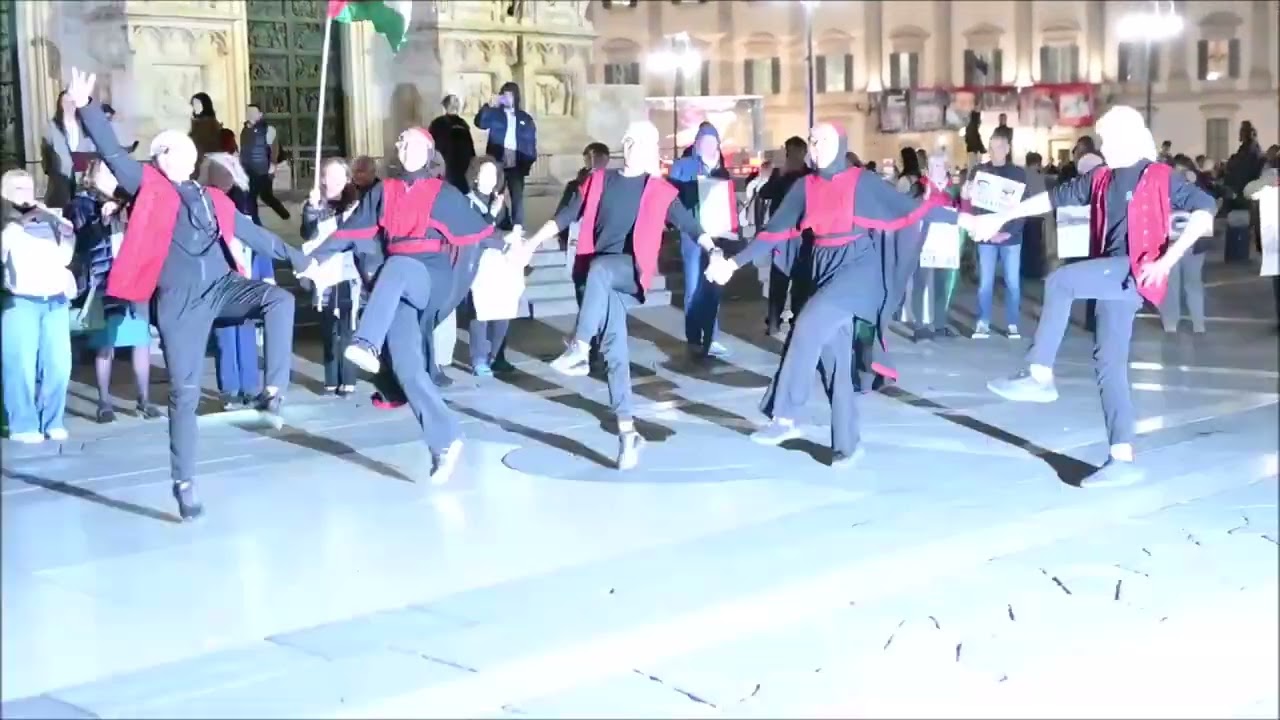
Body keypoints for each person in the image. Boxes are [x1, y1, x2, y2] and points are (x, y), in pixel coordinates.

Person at [68, 67, 310, 520]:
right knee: (184, 393)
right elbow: (114, 155)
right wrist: (85, 107)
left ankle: (274, 389)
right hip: (180, 302)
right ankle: (184, 482)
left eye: (183, 149)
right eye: (168, 150)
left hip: (222, 286)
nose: (177, 155)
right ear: (158, 159)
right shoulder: (150, 189)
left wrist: (297, 257)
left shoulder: (212, 198)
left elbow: (252, 233)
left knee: (279, 299)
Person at [965, 105, 1216, 487]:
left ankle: (1039, 373)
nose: (1103, 146)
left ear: (1129, 137)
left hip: (1133, 269)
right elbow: (1052, 199)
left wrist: (1167, 260)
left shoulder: (1158, 175)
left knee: (1061, 282)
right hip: (1112, 275)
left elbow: (1205, 210)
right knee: (1108, 364)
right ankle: (1122, 457)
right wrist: (1001, 217)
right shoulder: (1100, 178)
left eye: (1108, 138)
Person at [704, 123, 951, 467]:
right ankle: (847, 444)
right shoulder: (804, 187)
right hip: (822, 268)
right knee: (834, 359)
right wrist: (732, 264)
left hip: (858, 268)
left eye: (822, 141)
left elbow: (909, 209)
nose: (815, 147)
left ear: (839, 144)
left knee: (807, 325)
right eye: (812, 141)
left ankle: (785, 415)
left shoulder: (860, 181)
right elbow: (773, 232)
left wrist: (966, 218)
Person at [302, 127, 512, 484]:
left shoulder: (443, 192)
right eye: (400, 143)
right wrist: (315, 258)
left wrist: (512, 245)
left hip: (431, 275)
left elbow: (480, 232)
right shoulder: (383, 191)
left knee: (398, 266)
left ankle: (366, 341)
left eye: (412, 143)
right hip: (396, 283)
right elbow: (351, 231)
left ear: (428, 151)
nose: (404, 147)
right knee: (407, 367)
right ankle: (444, 439)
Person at [509, 121, 714, 470]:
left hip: (628, 271)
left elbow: (690, 225)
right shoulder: (600, 180)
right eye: (630, 140)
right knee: (615, 352)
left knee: (602, 269)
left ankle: (579, 348)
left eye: (642, 142)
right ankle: (627, 432)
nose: (634, 147)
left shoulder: (658, 190)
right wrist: (531, 243)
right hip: (600, 279)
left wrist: (715, 251)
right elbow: (566, 215)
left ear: (652, 150)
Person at [68, 159, 162, 423]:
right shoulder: (81, 203)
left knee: (140, 338)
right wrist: (101, 219)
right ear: (94, 175)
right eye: (107, 172)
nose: (112, 177)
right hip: (104, 279)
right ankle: (104, 402)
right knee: (106, 342)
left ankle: (144, 400)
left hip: (134, 275)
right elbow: (80, 241)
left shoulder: (129, 199)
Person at [1, 169, 76, 443]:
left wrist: (66, 233)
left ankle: (52, 421)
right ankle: (23, 425)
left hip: (55, 299)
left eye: (29, 188)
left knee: (59, 366)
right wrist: (21, 221)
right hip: (22, 301)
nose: (26, 194)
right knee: (20, 366)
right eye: (18, 189)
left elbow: (64, 257)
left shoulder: (46, 218)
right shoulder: (6, 222)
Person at [201, 152, 276, 409]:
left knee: (245, 332)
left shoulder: (244, 198)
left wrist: (266, 274)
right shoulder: (203, 199)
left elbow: (259, 238)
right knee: (224, 335)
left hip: (246, 270)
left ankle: (250, 386)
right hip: (220, 275)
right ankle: (230, 389)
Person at [668, 122, 738, 358]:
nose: (709, 146)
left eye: (713, 142)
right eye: (705, 141)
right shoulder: (683, 166)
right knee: (694, 284)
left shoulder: (721, 170)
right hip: (693, 235)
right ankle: (694, 338)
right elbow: (672, 198)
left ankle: (711, 337)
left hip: (718, 234)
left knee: (713, 285)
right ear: (697, 144)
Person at [300, 158, 363, 396]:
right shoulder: (315, 204)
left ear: (347, 179)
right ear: (322, 179)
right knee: (328, 326)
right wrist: (312, 209)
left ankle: (348, 377)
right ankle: (331, 377)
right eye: (329, 176)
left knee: (348, 326)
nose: (335, 181)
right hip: (324, 273)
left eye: (339, 176)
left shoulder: (355, 205)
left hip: (347, 271)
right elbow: (308, 232)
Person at [968, 131, 1027, 339]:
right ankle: (983, 322)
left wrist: (1007, 232)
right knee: (985, 282)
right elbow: (973, 204)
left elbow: (1023, 208)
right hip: (987, 236)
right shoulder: (979, 171)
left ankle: (1012, 323)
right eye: (992, 148)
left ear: (1008, 149)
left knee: (1012, 282)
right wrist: (985, 231)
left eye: (1000, 147)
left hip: (1011, 238)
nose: (995, 152)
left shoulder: (1018, 174)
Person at [459, 155, 515, 376]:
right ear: (475, 176)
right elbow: (476, 233)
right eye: (486, 173)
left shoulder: (500, 202)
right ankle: (479, 359)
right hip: (477, 264)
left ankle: (496, 356)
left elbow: (506, 229)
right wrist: (491, 215)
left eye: (494, 174)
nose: (491, 178)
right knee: (480, 313)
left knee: (503, 309)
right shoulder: (467, 202)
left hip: (500, 263)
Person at [1157, 154, 1218, 334]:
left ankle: (1193, 322)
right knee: (1177, 283)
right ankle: (1179, 322)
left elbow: (1211, 205)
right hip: (1178, 241)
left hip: (1186, 242)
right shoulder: (1170, 186)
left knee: (1187, 282)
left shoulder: (1197, 186)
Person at [760, 137, 810, 336]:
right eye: (790, 152)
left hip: (802, 235)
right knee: (779, 278)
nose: (794, 156)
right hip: (782, 235)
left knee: (800, 280)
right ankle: (774, 320)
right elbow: (764, 193)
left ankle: (796, 320)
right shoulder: (780, 173)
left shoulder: (809, 175)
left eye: (797, 152)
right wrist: (779, 175)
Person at [474, 82, 536, 227]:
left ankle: (517, 226)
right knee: (496, 193)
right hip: (498, 159)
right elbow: (479, 123)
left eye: (510, 95)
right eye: (505, 95)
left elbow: (531, 142)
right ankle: (500, 222)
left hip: (517, 160)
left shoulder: (525, 118)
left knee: (517, 197)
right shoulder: (495, 114)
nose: (507, 98)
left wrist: (528, 163)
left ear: (516, 97)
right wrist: (488, 106)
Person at [42, 91, 94, 209]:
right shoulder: (52, 126)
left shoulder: (84, 125)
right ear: (60, 104)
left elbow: (91, 149)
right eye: (65, 102)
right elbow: (45, 152)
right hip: (60, 180)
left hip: (82, 179)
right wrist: (52, 171)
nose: (69, 105)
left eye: (72, 102)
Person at [240, 103, 290, 221]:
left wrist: (272, 165)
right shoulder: (245, 130)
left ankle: (283, 215)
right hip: (248, 169)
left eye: (253, 112)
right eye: (248, 112)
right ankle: (256, 221)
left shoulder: (268, 130)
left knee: (264, 196)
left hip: (263, 170)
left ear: (260, 114)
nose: (250, 114)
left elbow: (274, 149)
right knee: (254, 197)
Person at [428, 94, 478, 193]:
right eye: (455, 100)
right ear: (447, 104)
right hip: (445, 167)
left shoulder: (462, 123)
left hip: (462, 168)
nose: (457, 103)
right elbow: (431, 144)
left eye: (457, 100)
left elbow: (470, 145)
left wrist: (473, 161)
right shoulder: (438, 123)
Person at [188, 92, 224, 170]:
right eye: (193, 104)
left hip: (204, 163)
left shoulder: (208, 123)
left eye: (197, 104)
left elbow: (205, 144)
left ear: (204, 105)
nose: (194, 107)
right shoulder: (197, 122)